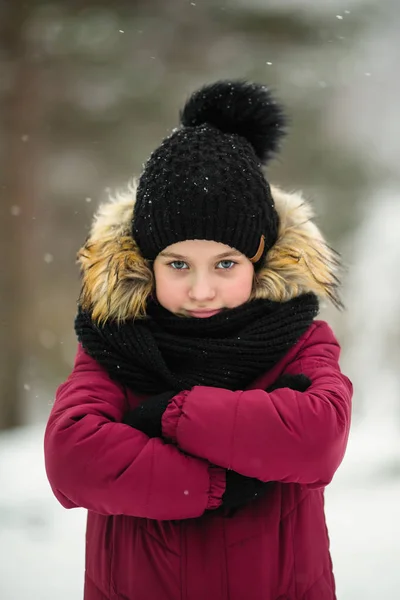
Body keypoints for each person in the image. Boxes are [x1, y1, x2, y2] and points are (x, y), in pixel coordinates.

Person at [44, 80, 353, 600]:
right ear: (148, 263)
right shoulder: (115, 342)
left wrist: (172, 416)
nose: (201, 289)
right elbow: (72, 458)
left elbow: (319, 438)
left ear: (258, 259)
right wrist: (219, 482)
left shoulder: (300, 338)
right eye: (178, 264)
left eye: (226, 264)